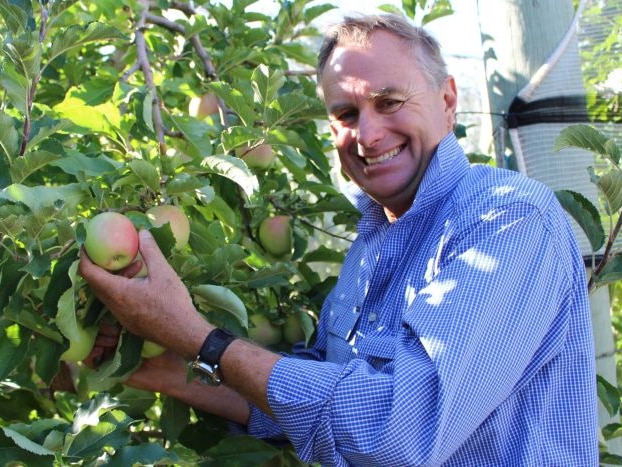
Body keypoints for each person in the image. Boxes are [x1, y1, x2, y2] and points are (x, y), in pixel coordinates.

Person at [79, 13, 599, 466]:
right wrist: (168, 370)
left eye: (389, 101)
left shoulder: (504, 220)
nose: (367, 135)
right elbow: (326, 406)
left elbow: (396, 434)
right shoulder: (370, 249)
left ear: (447, 100)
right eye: (345, 115)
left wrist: (197, 336)